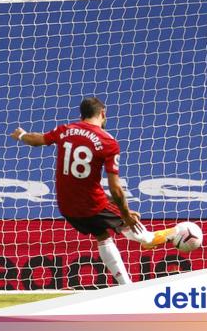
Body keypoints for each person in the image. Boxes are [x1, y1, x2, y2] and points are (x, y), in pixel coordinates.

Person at [10, 96, 175, 285]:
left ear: (82, 115)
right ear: (102, 113)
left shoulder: (65, 130)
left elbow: (37, 140)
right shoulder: (108, 141)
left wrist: (22, 135)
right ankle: (179, 233)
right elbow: (116, 189)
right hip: (92, 206)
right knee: (142, 235)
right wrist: (126, 214)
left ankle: (126, 287)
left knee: (102, 235)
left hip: (68, 208)